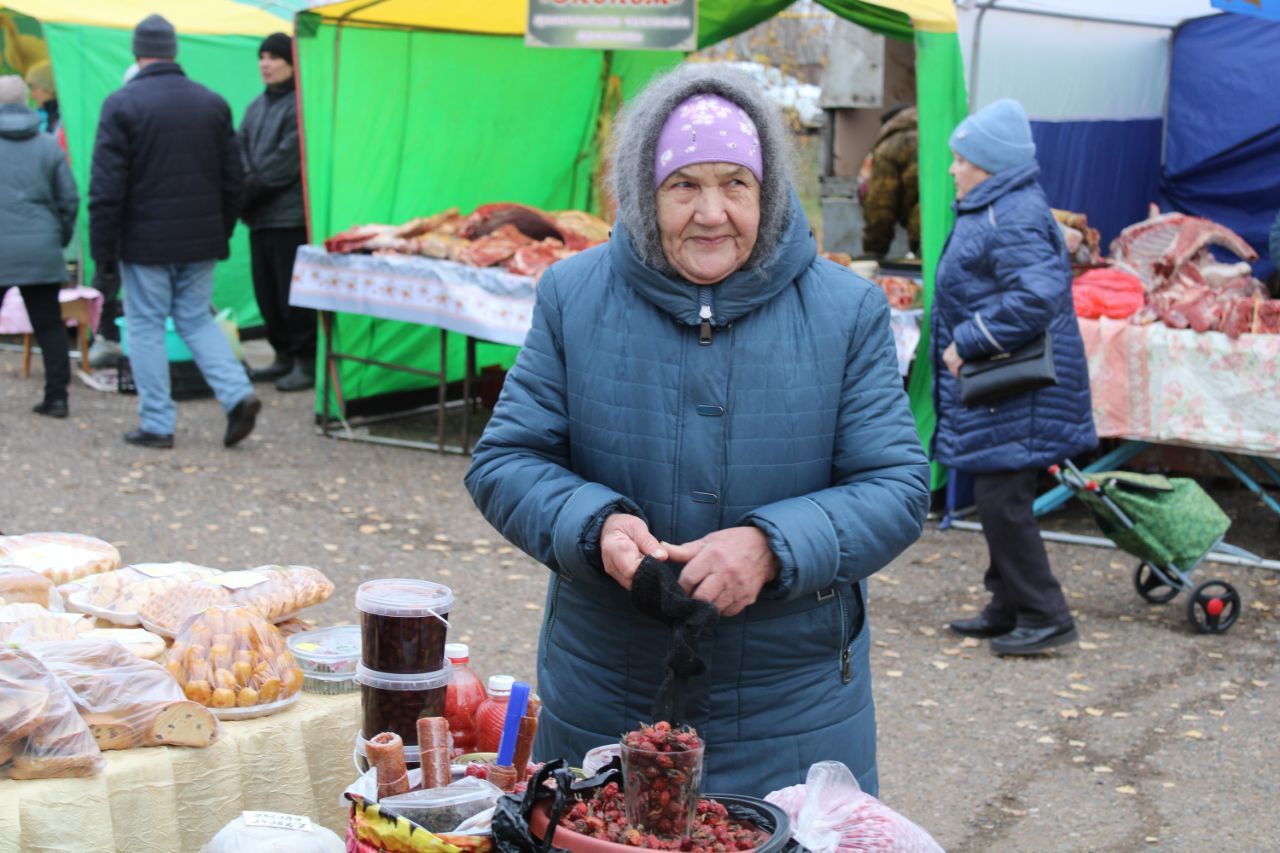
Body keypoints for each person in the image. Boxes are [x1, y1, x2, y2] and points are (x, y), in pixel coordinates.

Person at [465, 65, 930, 798]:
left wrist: (772, 546)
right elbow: (506, 460)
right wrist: (596, 525)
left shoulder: (848, 311)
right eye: (684, 185)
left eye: (735, 184)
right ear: (646, 197)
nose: (712, 212)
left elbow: (898, 487)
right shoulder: (573, 296)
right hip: (607, 698)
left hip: (792, 712)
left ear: (767, 191)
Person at [933, 98, 1097, 655]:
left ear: (989, 163)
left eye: (961, 159)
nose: (952, 169)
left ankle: (1046, 612)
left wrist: (969, 342)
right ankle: (1007, 604)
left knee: (1004, 501)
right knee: (996, 493)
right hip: (1006, 386)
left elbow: (1036, 296)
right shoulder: (995, 207)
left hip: (1017, 387)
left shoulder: (1014, 213)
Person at [88, 14, 259, 449]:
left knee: (144, 326)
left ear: (136, 51)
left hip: (144, 244)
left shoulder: (121, 104)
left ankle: (158, 423)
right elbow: (233, 178)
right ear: (173, 50)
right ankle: (237, 395)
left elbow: (107, 189)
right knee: (195, 318)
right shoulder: (211, 102)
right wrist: (219, 233)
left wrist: (103, 254)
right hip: (200, 240)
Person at [238, 32, 315, 392]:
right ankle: (281, 354)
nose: (265, 63)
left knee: (292, 297)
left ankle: (304, 360)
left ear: (291, 62)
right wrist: (243, 190)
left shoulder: (301, 105)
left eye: (274, 57)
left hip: (290, 219)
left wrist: (247, 191)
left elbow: (284, 163)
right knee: (266, 294)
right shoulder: (256, 106)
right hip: (259, 218)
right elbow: (239, 152)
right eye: (261, 56)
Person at [0, 74, 78, 418]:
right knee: (49, 325)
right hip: (42, 246)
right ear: (25, 103)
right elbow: (69, 199)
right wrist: (58, 237)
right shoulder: (48, 144)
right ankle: (57, 398)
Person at [861, 105, 920, 259]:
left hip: (925, 232)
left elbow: (880, 207)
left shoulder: (891, 146)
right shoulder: (941, 132)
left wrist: (873, 252)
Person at [23, 61, 58, 136]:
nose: (33, 95)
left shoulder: (68, 119)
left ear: (49, 88)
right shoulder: (34, 116)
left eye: (34, 88)